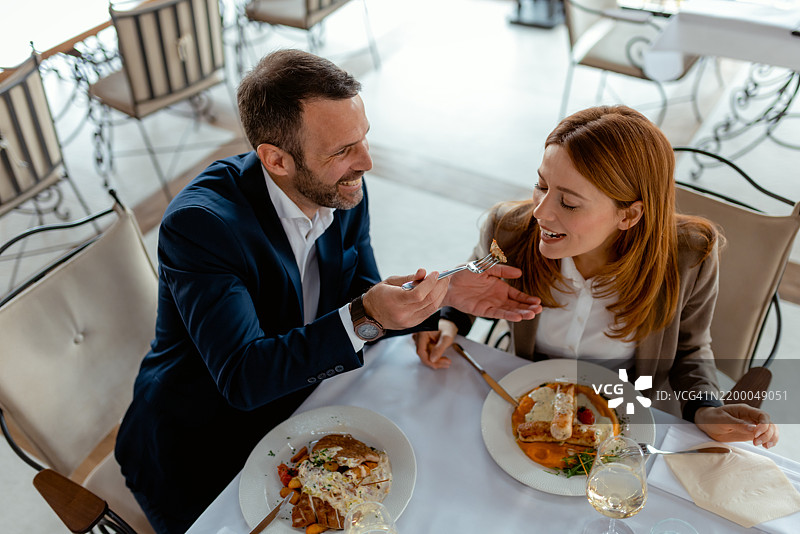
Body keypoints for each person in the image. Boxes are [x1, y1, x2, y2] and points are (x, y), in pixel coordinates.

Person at [115, 49, 541, 534]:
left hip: (302, 411)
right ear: (275, 159)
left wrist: (435, 297)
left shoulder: (342, 187)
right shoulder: (202, 225)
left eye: (363, 139)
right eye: (343, 150)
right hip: (199, 445)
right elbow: (244, 377)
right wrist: (367, 313)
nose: (367, 162)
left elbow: (363, 291)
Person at [414, 105, 779, 450]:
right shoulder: (510, 230)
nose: (541, 212)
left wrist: (704, 406)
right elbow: (473, 283)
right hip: (527, 390)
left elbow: (689, 348)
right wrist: (448, 321)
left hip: (628, 405)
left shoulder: (688, 257)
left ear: (629, 215)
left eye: (569, 203)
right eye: (542, 186)